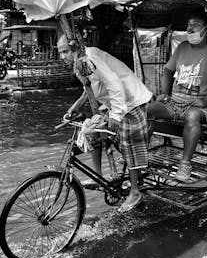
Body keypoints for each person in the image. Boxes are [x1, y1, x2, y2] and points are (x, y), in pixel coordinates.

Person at [59, 34, 153, 212]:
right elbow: (89, 89)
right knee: (91, 130)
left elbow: (114, 84)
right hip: (112, 102)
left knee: (128, 140)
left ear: (74, 48)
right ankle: (98, 176)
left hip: (131, 101)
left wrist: (116, 116)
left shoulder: (91, 57)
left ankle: (135, 192)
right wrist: (74, 107)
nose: (62, 56)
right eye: (61, 52)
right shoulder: (79, 63)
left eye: (65, 52)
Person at [146, 7, 207, 182]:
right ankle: (141, 154)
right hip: (174, 102)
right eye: (188, 25)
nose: (190, 29)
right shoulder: (182, 47)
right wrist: (164, 94)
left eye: (196, 25)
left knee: (192, 116)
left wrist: (206, 99)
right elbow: (167, 72)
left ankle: (185, 164)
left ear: (206, 29)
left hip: (202, 106)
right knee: (145, 110)